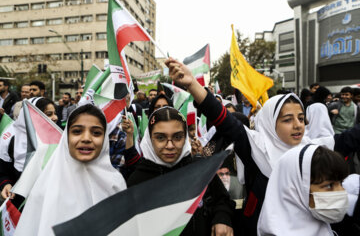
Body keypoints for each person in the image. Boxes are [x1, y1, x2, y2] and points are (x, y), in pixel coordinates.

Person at [165, 57, 335, 235]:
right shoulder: (258, 149)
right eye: (287, 120)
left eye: (301, 118)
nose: (297, 125)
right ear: (271, 124)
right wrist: (192, 84)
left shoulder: (316, 152)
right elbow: (225, 121)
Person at [14, 104, 127, 236]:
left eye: (96, 133)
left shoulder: (116, 184)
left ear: (105, 139)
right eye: (77, 131)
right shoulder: (45, 187)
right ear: (66, 137)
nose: (86, 139)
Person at [126, 107, 235, 235]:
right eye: (161, 138)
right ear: (150, 139)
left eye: (177, 137)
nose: (170, 146)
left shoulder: (201, 169)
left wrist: (222, 219)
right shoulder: (137, 181)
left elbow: (222, 200)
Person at [257, 145, 348, 235]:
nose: (341, 191)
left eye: (341, 183)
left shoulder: (322, 225)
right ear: (296, 189)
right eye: (329, 186)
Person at [0, 98, 59, 199]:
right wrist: (6, 184)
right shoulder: (12, 141)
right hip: (20, 202)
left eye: (55, 113)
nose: (55, 117)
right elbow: (2, 171)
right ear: (31, 116)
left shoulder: (61, 139)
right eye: (49, 114)